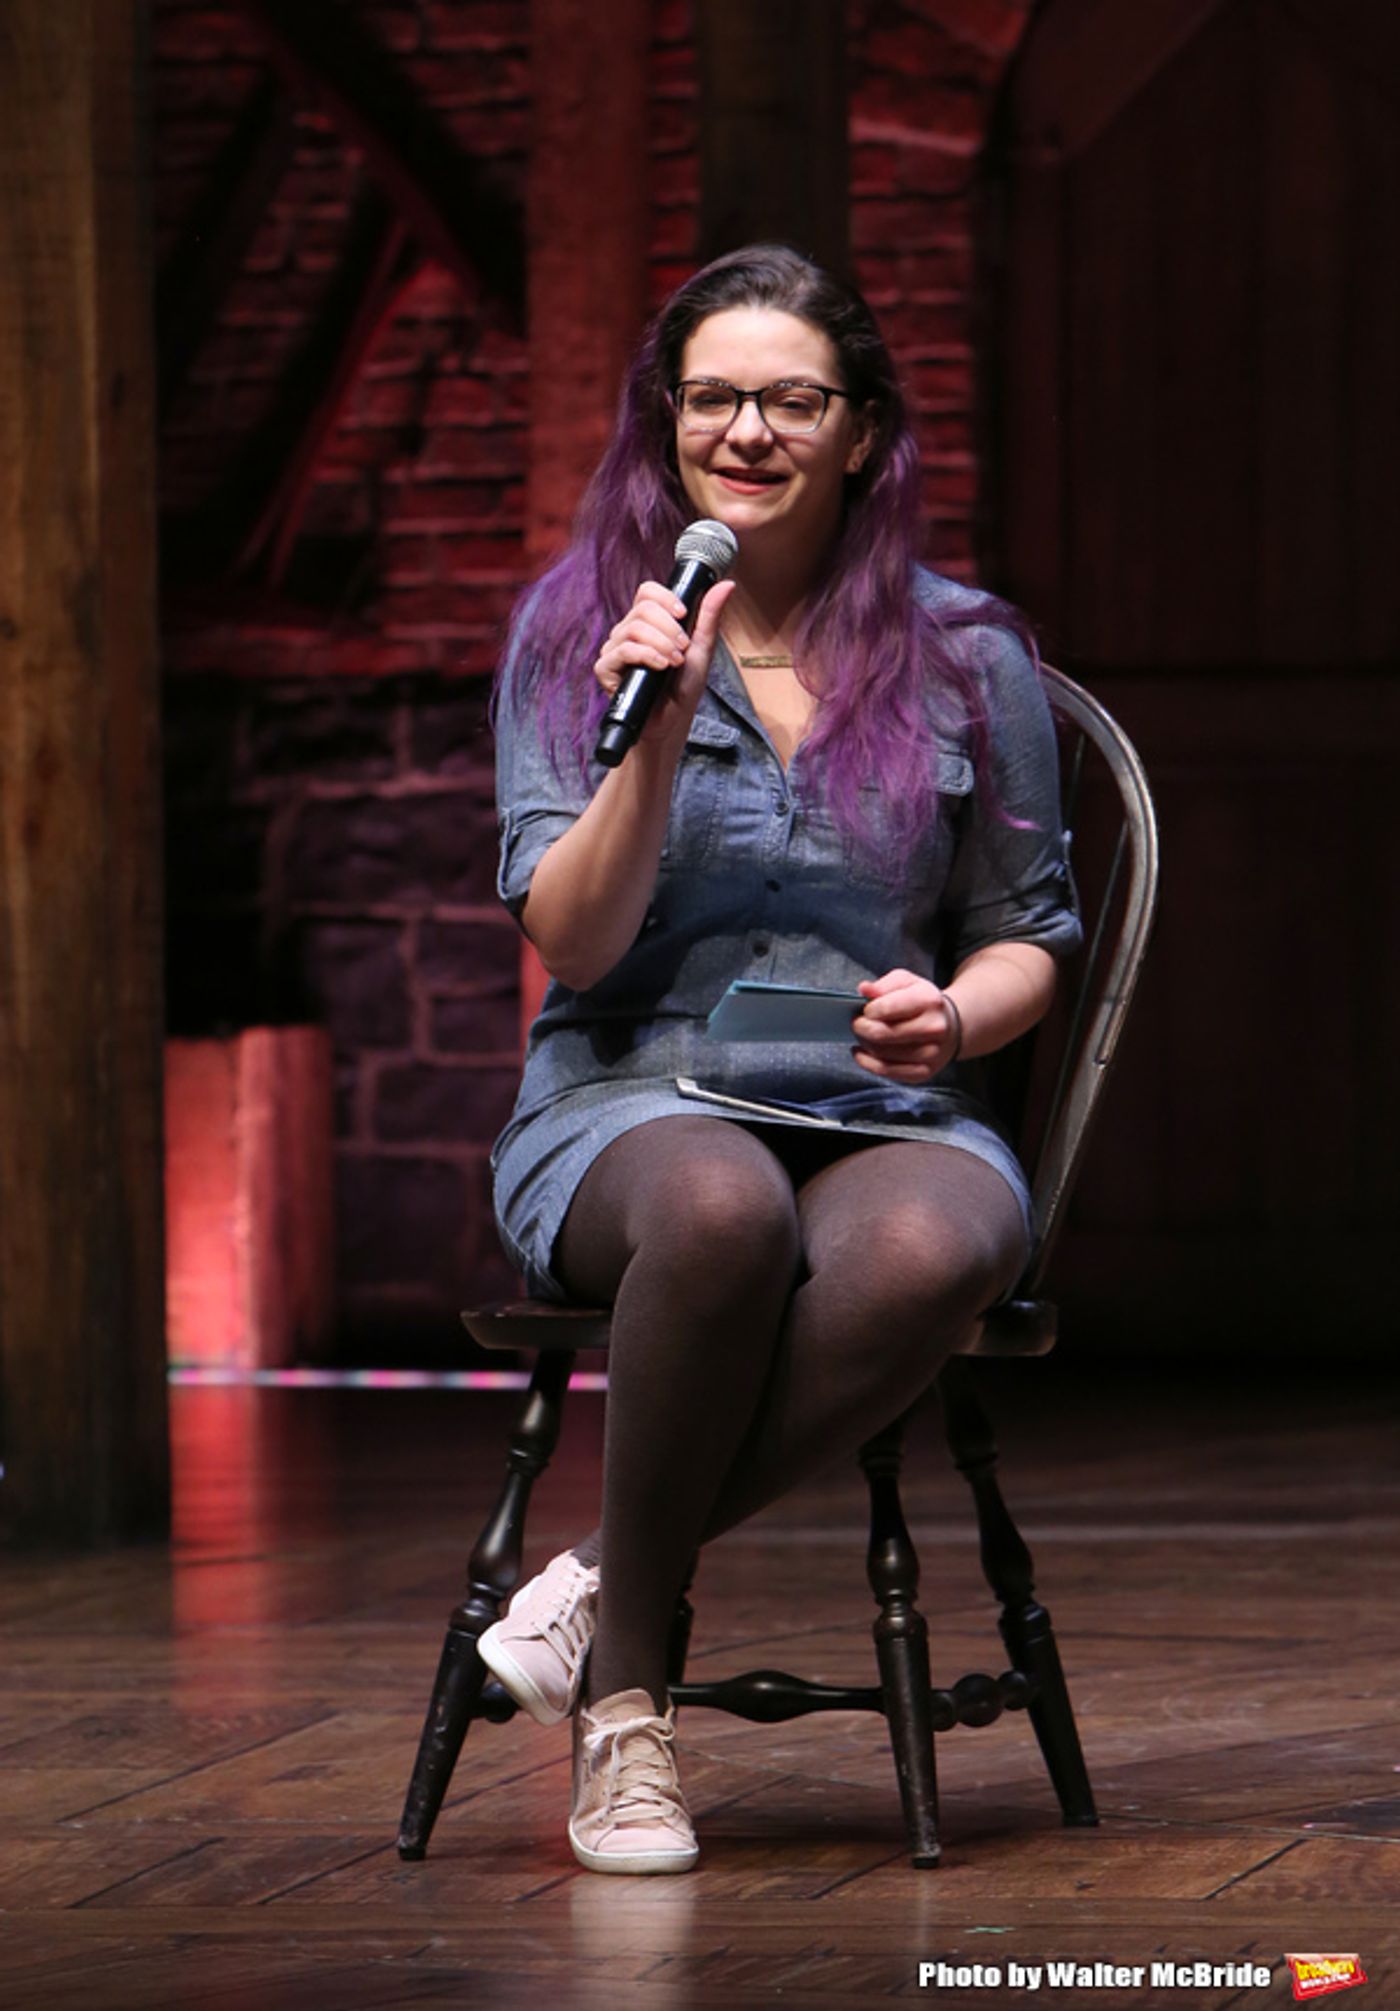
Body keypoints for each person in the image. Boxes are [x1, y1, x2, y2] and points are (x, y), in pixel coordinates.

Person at [478, 244, 1080, 1875]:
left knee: (945, 1243)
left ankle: (597, 1575)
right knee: (721, 1208)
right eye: (713, 399)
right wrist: (657, 731)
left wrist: (957, 1018)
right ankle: (628, 1709)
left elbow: (1029, 930)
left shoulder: (967, 652)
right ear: (668, 423)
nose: (747, 430)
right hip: (634, 1093)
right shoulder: (580, 632)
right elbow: (576, 944)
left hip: (878, 1094)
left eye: (791, 400)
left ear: (862, 431)